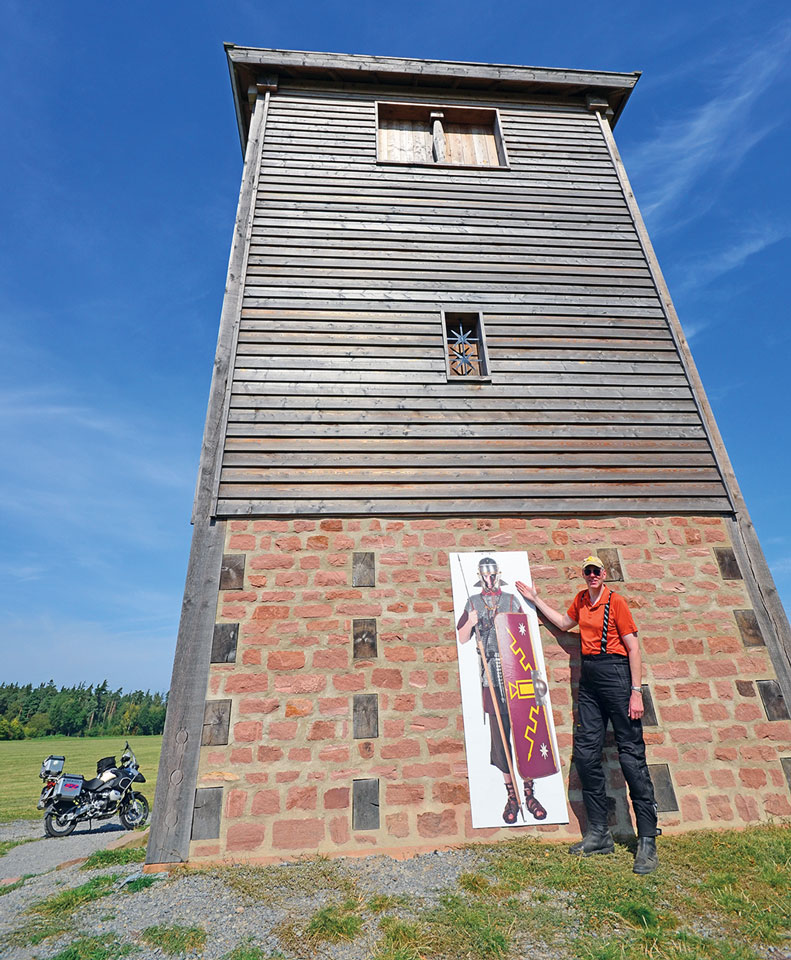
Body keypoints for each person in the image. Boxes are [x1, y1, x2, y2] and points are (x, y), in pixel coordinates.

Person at [515, 555, 659, 874]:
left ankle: (647, 840)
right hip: (590, 679)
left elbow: (633, 647)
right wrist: (535, 599)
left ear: (604, 574)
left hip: (618, 677)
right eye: (587, 571)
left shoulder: (615, 602)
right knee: (584, 754)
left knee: (631, 757)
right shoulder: (581, 600)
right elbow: (565, 624)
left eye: (596, 571)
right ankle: (599, 834)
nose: (592, 575)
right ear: (584, 575)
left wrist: (636, 692)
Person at [456, 557, 547, 824]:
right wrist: (470, 622)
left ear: (498, 574)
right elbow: (462, 637)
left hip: (517, 673)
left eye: (493, 575)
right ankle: (512, 796)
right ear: (480, 577)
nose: (490, 579)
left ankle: (529, 793)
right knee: (500, 739)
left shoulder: (510, 600)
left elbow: (525, 634)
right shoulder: (472, 603)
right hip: (490, 677)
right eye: (486, 576)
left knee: (526, 734)